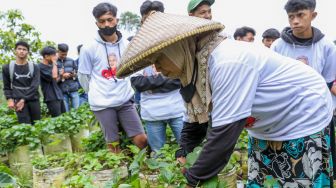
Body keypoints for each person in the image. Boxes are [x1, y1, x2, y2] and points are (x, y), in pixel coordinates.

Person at [117, 12, 334, 187]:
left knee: (297, 178)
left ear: (176, 51)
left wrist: (192, 180)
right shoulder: (194, 71)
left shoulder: (227, 62)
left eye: (159, 59)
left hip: (303, 111)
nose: (157, 69)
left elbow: (224, 134)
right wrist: (183, 153)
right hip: (268, 121)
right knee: (265, 179)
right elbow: (194, 123)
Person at [78, 2, 147, 153]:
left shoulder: (127, 45)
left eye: (110, 19)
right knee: (113, 144)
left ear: (117, 20)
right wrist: (95, 92)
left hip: (125, 99)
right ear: (97, 23)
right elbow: (84, 76)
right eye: (102, 21)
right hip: (102, 103)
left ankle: (145, 171)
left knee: (141, 140)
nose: (106, 24)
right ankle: (120, 174)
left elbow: (135, 70)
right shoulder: (89, 48)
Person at [271, 0, 336, 106]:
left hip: (316, 107)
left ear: (313, 15)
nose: (295, 21)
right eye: (291, 17)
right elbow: (273, 80)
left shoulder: (327, 46)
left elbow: (328, 82)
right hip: (285, 107)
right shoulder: (278, 46)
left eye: (300, 15)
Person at [2, 41, 41, 125]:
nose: (22, 51)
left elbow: (35, 86)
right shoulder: (7, 67)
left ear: (28, 52)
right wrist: (9, 99)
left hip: (33, 99)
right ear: (15, 51)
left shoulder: (34, 67)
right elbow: (7, 86)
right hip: (18, 100)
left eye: (24, 49)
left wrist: (23, 100)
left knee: (37, 124)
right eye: (19, 49)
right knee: (24, 125)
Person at [39, 46, 66, 117]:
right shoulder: (40, 67)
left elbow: (55, 80)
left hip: (58, 94)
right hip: (51, 97)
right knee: (57, 118)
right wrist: (54, 63)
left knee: (64, 117)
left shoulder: (51, 65)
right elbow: (53, 76)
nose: (56, 57)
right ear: (46, 56)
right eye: (54, 55)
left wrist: (61, 75)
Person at [57, 43, 80, 112]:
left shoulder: (71, 61)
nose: (64, 56)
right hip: (62, 90)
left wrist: (74, 75)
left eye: (65, 54)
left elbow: (77, 73)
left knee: (77, 111)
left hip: (73, 89)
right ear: (58, 51)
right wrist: (62, 76)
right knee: (65, 113)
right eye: (62, 54)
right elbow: (53, 78)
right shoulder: (54, 62)